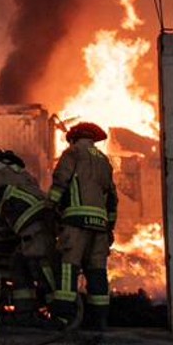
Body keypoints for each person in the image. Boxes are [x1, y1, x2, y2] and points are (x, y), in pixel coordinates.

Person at [0, 148, 57, 313]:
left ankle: (60, 314)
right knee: (18, 264)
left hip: (34, 234)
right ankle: (25, 313)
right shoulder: (26, 176)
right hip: (42, 229)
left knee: (43, 274)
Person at [46, 121, 117, 331]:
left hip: (76, 222)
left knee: (69, 268)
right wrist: (109, 226)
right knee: (96, 271)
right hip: (100, 226)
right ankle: (99, 321)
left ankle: (64, 319)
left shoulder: (73, 153)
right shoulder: (105, 161)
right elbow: (112, 199)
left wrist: (49, 207)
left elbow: (61, 182)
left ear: (74, 139)